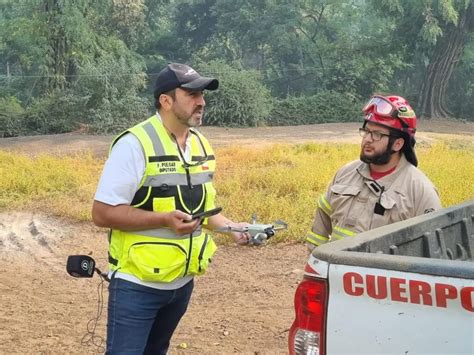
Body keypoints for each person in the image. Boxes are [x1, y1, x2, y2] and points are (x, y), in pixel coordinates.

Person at [92, 63, 250, 354]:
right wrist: (164, 220)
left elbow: (206, 209)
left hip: (181, 283)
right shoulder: (134, 145)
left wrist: (233, 228)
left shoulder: (201, 145)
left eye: (202, 94)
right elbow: (102, 213)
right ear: (166, 100)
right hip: (136, 284)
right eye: (191, 94)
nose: (201, 101)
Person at [306, 94, 442, 250]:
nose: (367, 139)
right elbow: (320, 224)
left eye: (377, 134)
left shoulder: (420, 191)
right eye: (366, 131)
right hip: (337, 273)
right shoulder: (345, 173)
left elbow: (431, 250)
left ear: (397, 144)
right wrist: (317, 266)